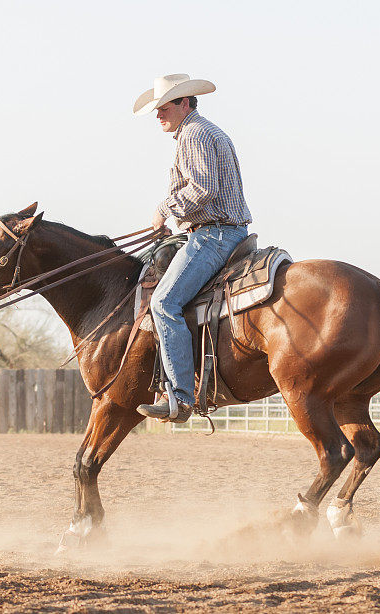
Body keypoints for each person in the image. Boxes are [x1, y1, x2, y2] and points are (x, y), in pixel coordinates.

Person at [132, 74, 252, 423]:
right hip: (218, 230)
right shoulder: (203, 132)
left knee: (163, 302)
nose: (159, 115)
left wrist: (165, 208)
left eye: (164, 107)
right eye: (156, 109)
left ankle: (180, 397)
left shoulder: (195, 134)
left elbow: (204, 189)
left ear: (185, 103)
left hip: (214, 235)